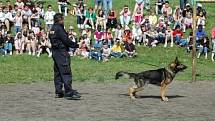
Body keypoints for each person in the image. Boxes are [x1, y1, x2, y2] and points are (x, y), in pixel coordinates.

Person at [49, 13, 81, 100]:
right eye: (62, 19)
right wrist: (76, 45)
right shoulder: (59, 28)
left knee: (58, 73)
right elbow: (66, 40)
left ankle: (58, 92)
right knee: (66, 72)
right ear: (60, 20)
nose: (63, 21)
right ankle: (69, 92)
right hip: (62, 53)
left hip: (55, 53)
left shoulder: (52, 29)